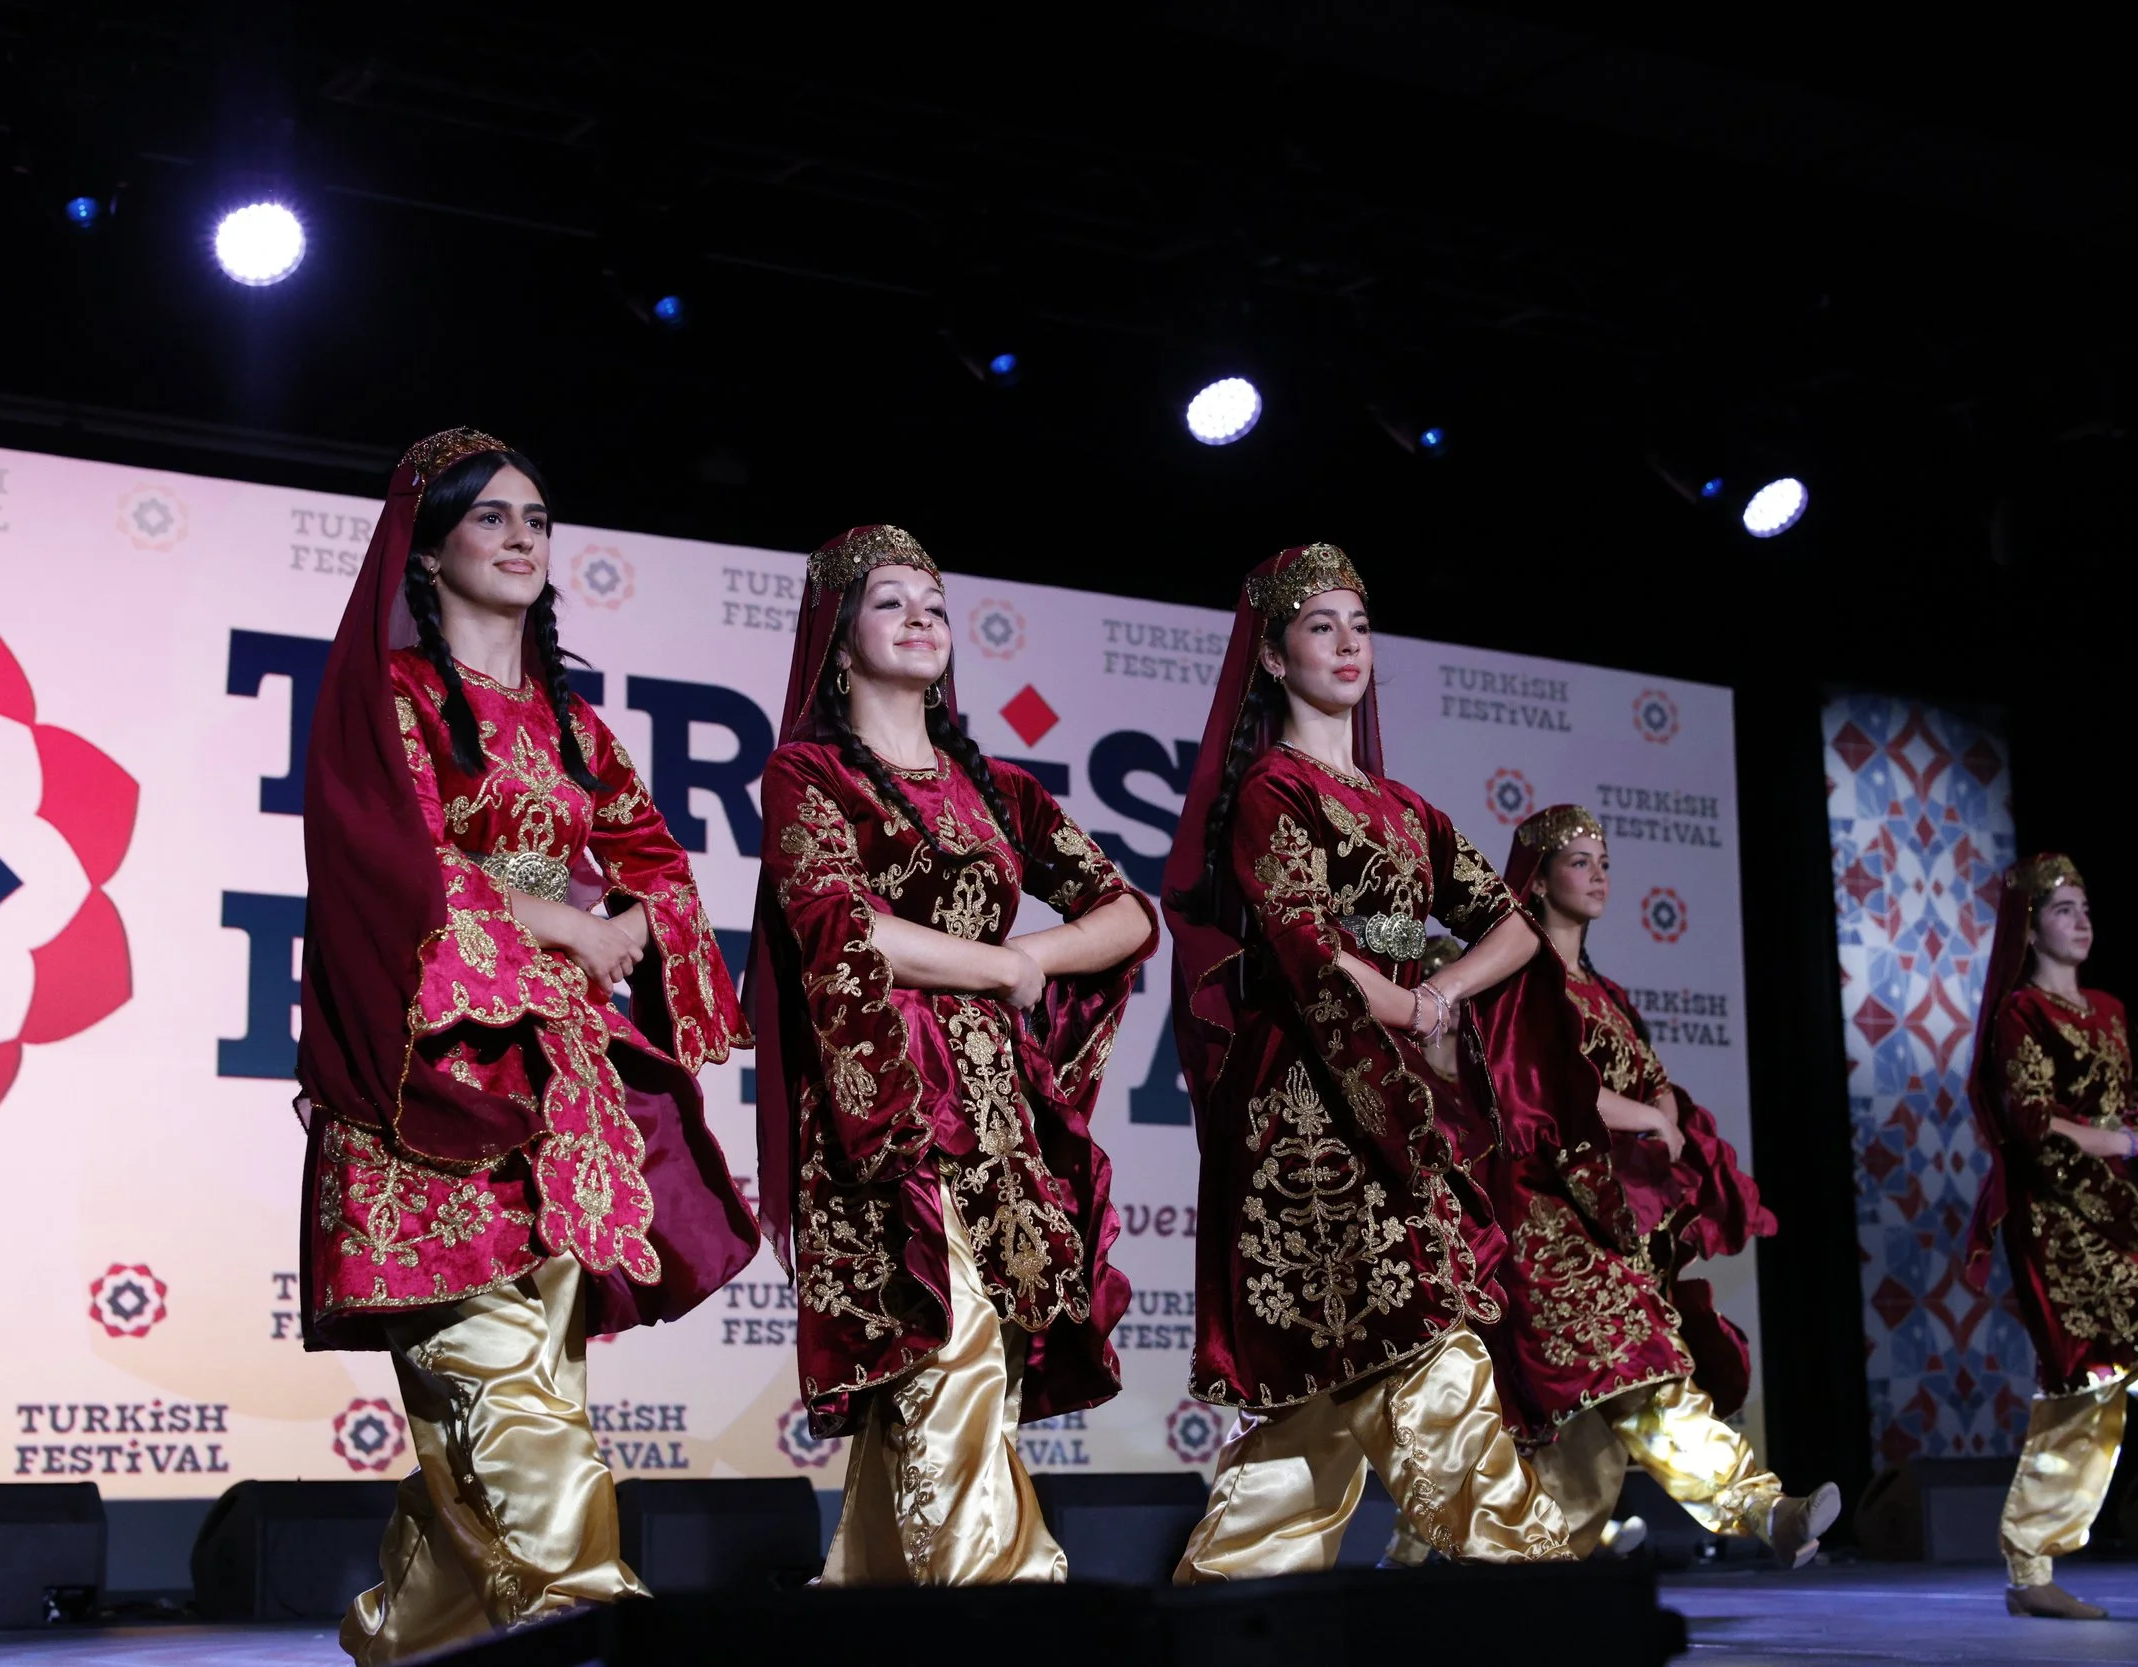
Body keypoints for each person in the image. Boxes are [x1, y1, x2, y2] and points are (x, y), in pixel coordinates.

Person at [294, 428, 756, 1660]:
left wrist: (636, 926)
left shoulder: (568, 724)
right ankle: (591, 1628)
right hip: (430, 1073)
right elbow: (383, 865)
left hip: (563, 1083)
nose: (519, 536)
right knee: (497, 1381)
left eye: (536, 519)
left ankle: (421, 1627)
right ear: (429, 551)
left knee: (516, 1393)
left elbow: (650, 854)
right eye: (490, 517)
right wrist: (559, 917)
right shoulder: (387, 700)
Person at [746, 523, 1156, 1584]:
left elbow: (1127, 913)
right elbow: (835, 921)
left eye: (934, 602)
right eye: (892, 601)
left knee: (975, 1355)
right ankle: (1005, 1600)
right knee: (948, 1338)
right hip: (882, 1090)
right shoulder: (808, 773)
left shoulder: (1000, 789)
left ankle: (874, 1593)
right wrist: (999, 968)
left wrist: (1033, 956)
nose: (922, 616)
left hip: (997, 1102)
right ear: (839, 643)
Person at [1161, 541, 1572, 1577]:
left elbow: (1513, 922)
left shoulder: (1406, 809)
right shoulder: (1270, 789)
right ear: (1270, 655)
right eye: (1318, 626)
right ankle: (1528, 1578)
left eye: (1359, 624)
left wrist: (1440, 992)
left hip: (1399, 1091)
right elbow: (1303, 945)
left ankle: (1217, 1601)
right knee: (1419, 1329)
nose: (1347, 644)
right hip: (1308, 1101)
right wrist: (1408, 1003)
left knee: (1331, 1386)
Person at [1484, 806, 1835, 1564]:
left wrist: (1664, 1111)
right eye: (1578, 860)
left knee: (1579, 1444)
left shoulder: (1601, 991)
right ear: (1538, 880)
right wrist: (1646, 1113)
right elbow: (1545, 1094)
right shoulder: (1519, 980)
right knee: (1641, 1375)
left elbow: (1652, 1081)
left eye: (1604, 858)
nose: (1599, 872)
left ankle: (1498, 1585)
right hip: (1548, 1223)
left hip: (1609, 1224)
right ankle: (1763, 1508)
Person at [1964, 854, 2138, 1619]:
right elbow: (2032, 1125)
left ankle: (2030, 1570)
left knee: (2083, 1389)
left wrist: (2134, 1134)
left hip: (2116, 1216)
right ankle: (2030, 1569)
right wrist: (2109, 1140)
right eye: (2064, 907)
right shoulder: (2021, 1015)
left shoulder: (2107, 1008)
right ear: (2031, 925)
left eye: (2085, 906)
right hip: (2060, 1226)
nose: (2082, 919)